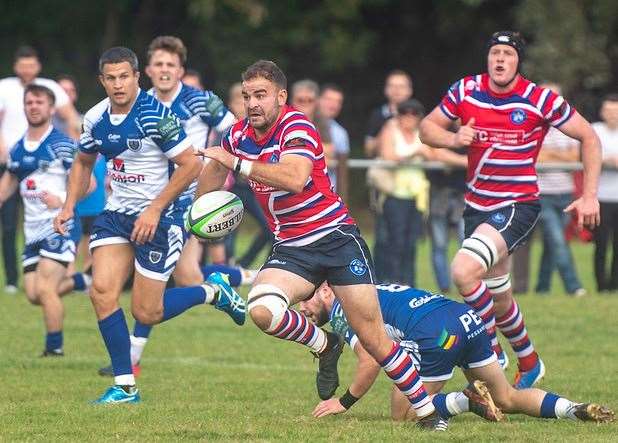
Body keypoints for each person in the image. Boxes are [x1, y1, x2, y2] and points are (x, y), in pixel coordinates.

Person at [195, 60, 444, 430]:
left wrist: (238, 164)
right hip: (292, 248)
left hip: (336, 239)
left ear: (281, 96)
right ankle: (325, 345)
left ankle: (428, 412)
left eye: (260, 95)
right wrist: (199, 216)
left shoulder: (297, 126)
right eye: (247, 96)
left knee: (375, 339)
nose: (252, 104)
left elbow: (294, 178)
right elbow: (216, 167)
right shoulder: (237, 136)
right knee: (262, 310)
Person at [53, 47, 243, 404]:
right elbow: (82, 162)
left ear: (137, 77)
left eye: (124, 76)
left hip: (163, 218)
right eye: (110, 78)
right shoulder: (95, 118)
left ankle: (213, 291)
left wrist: (155, 209)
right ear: (102, 81)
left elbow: (190, 165)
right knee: (102, 293)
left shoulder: (157, 116)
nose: (118, 84)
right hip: (116, 216)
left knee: (146, 311)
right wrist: (68, 206)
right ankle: (125, 386)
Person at [419, 31, 602, 388]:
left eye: (508, 53)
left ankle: (491, 350)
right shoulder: (465, 90)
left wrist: (590, 194)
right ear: (488, 59)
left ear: (518, 61)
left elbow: (589, 137)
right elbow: (427, 129)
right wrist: (454, 138)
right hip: (476, 207)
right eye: (494, 53)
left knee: (463, 270)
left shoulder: (539, 98)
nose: (500, 59)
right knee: (499, 296)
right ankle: (529, 361)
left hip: (517, 204)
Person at [301, 282, 614, 425]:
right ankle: (574, 409)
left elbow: (369, 361)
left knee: (404, 414)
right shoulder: (370, 286)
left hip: (435, 333)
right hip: (465, 318)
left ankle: (465, 400)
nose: (302, 307)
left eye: (307, 298)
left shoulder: (344, 306)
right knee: (505, 396)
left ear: (327, 289)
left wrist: (343, 403)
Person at [0, 84, 78, 355]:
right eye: (29, 102)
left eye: (39, 102)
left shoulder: (63, 145)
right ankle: (83, 281)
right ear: (24, 107)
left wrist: (64, 201)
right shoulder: (18, 148)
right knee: (33, 294)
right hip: (31, 231)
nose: (34, 106)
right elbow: (10, 179)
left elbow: (87, 183)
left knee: (46, 289)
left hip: (58, 225)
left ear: (51, 108)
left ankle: (54, 349)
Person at [0, 46, 81, 293]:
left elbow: (71, 117)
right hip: (13, 160)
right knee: (10, 225)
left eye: (31, 64)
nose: (27, 69)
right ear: (16, 66)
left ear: (38, 66)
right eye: (22, 64)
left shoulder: (51, 87)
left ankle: (67, 272)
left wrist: (75, 149)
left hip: (50, 160)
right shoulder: (5, 86)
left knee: (57, 211)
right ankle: (13, 280)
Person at [534, 83, 585, 296]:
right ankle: (574, 287)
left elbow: (574, 158)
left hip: (565, 194)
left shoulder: (569, 127)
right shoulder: (533, 126)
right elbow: (536, 157)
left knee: (551, 243)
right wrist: (558, 155)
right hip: (542, 194)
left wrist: (549, 154)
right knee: (557, 239)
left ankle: (542, 288)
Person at [374, 99, 431, 286]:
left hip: (416, 196)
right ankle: (393, 282)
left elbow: (434, 154)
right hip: (394, 195)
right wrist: (414, 153)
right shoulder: (390, 130)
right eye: (405, 113)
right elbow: (388, 155)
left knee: (411, 243)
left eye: (414, 114)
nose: (409, 118)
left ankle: (409, 283)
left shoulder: (422, 134)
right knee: (394, 242)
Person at [364, 70, 413, 282]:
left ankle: (407, 282)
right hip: (385, 185)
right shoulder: (379, 115)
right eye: (392, 86)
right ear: (386, 89)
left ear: (409, 90)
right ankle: (379, 282)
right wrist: (388, 130)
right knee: (383, 235)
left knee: (408, 239)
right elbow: (368, 148)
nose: (396, 90)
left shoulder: (416, 113)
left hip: (410, 185)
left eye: (401, 86)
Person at [226, 82, 273, 268]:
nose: (244, 105)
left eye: (247, 100)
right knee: (225, 233)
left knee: (271, 228)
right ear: (230, 104)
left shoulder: (261, 128)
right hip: (231, 188)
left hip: (253, 188)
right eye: (240, 99)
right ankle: (226, 273)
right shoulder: (226, 129)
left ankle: (247, 265)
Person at [426, 144, 467, 293]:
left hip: (463, 195)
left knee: (467, 245)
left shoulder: (470, 133)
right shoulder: (438, 127)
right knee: (439, 244)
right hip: (439, 195)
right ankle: (444, 288)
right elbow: (433, 153)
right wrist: (462, 161)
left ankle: (465, 283)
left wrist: (448, 159)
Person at [591, 94, 618, 292]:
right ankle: (601, 286)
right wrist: (605, 160)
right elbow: (586, 155)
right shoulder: (595, 130)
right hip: (600, 197)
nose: (612, 115)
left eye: (615, 111)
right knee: (600, 244)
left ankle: (614, 285)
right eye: (608, 111)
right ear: (602, 112)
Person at [318, 84, 349, 200]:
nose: (333, 105)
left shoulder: (341, 134)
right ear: (318, 100)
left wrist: (343, 202)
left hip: (327, 197)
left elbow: (342, 172)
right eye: (329, 99)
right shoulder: (301, 124)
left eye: (338, 102)